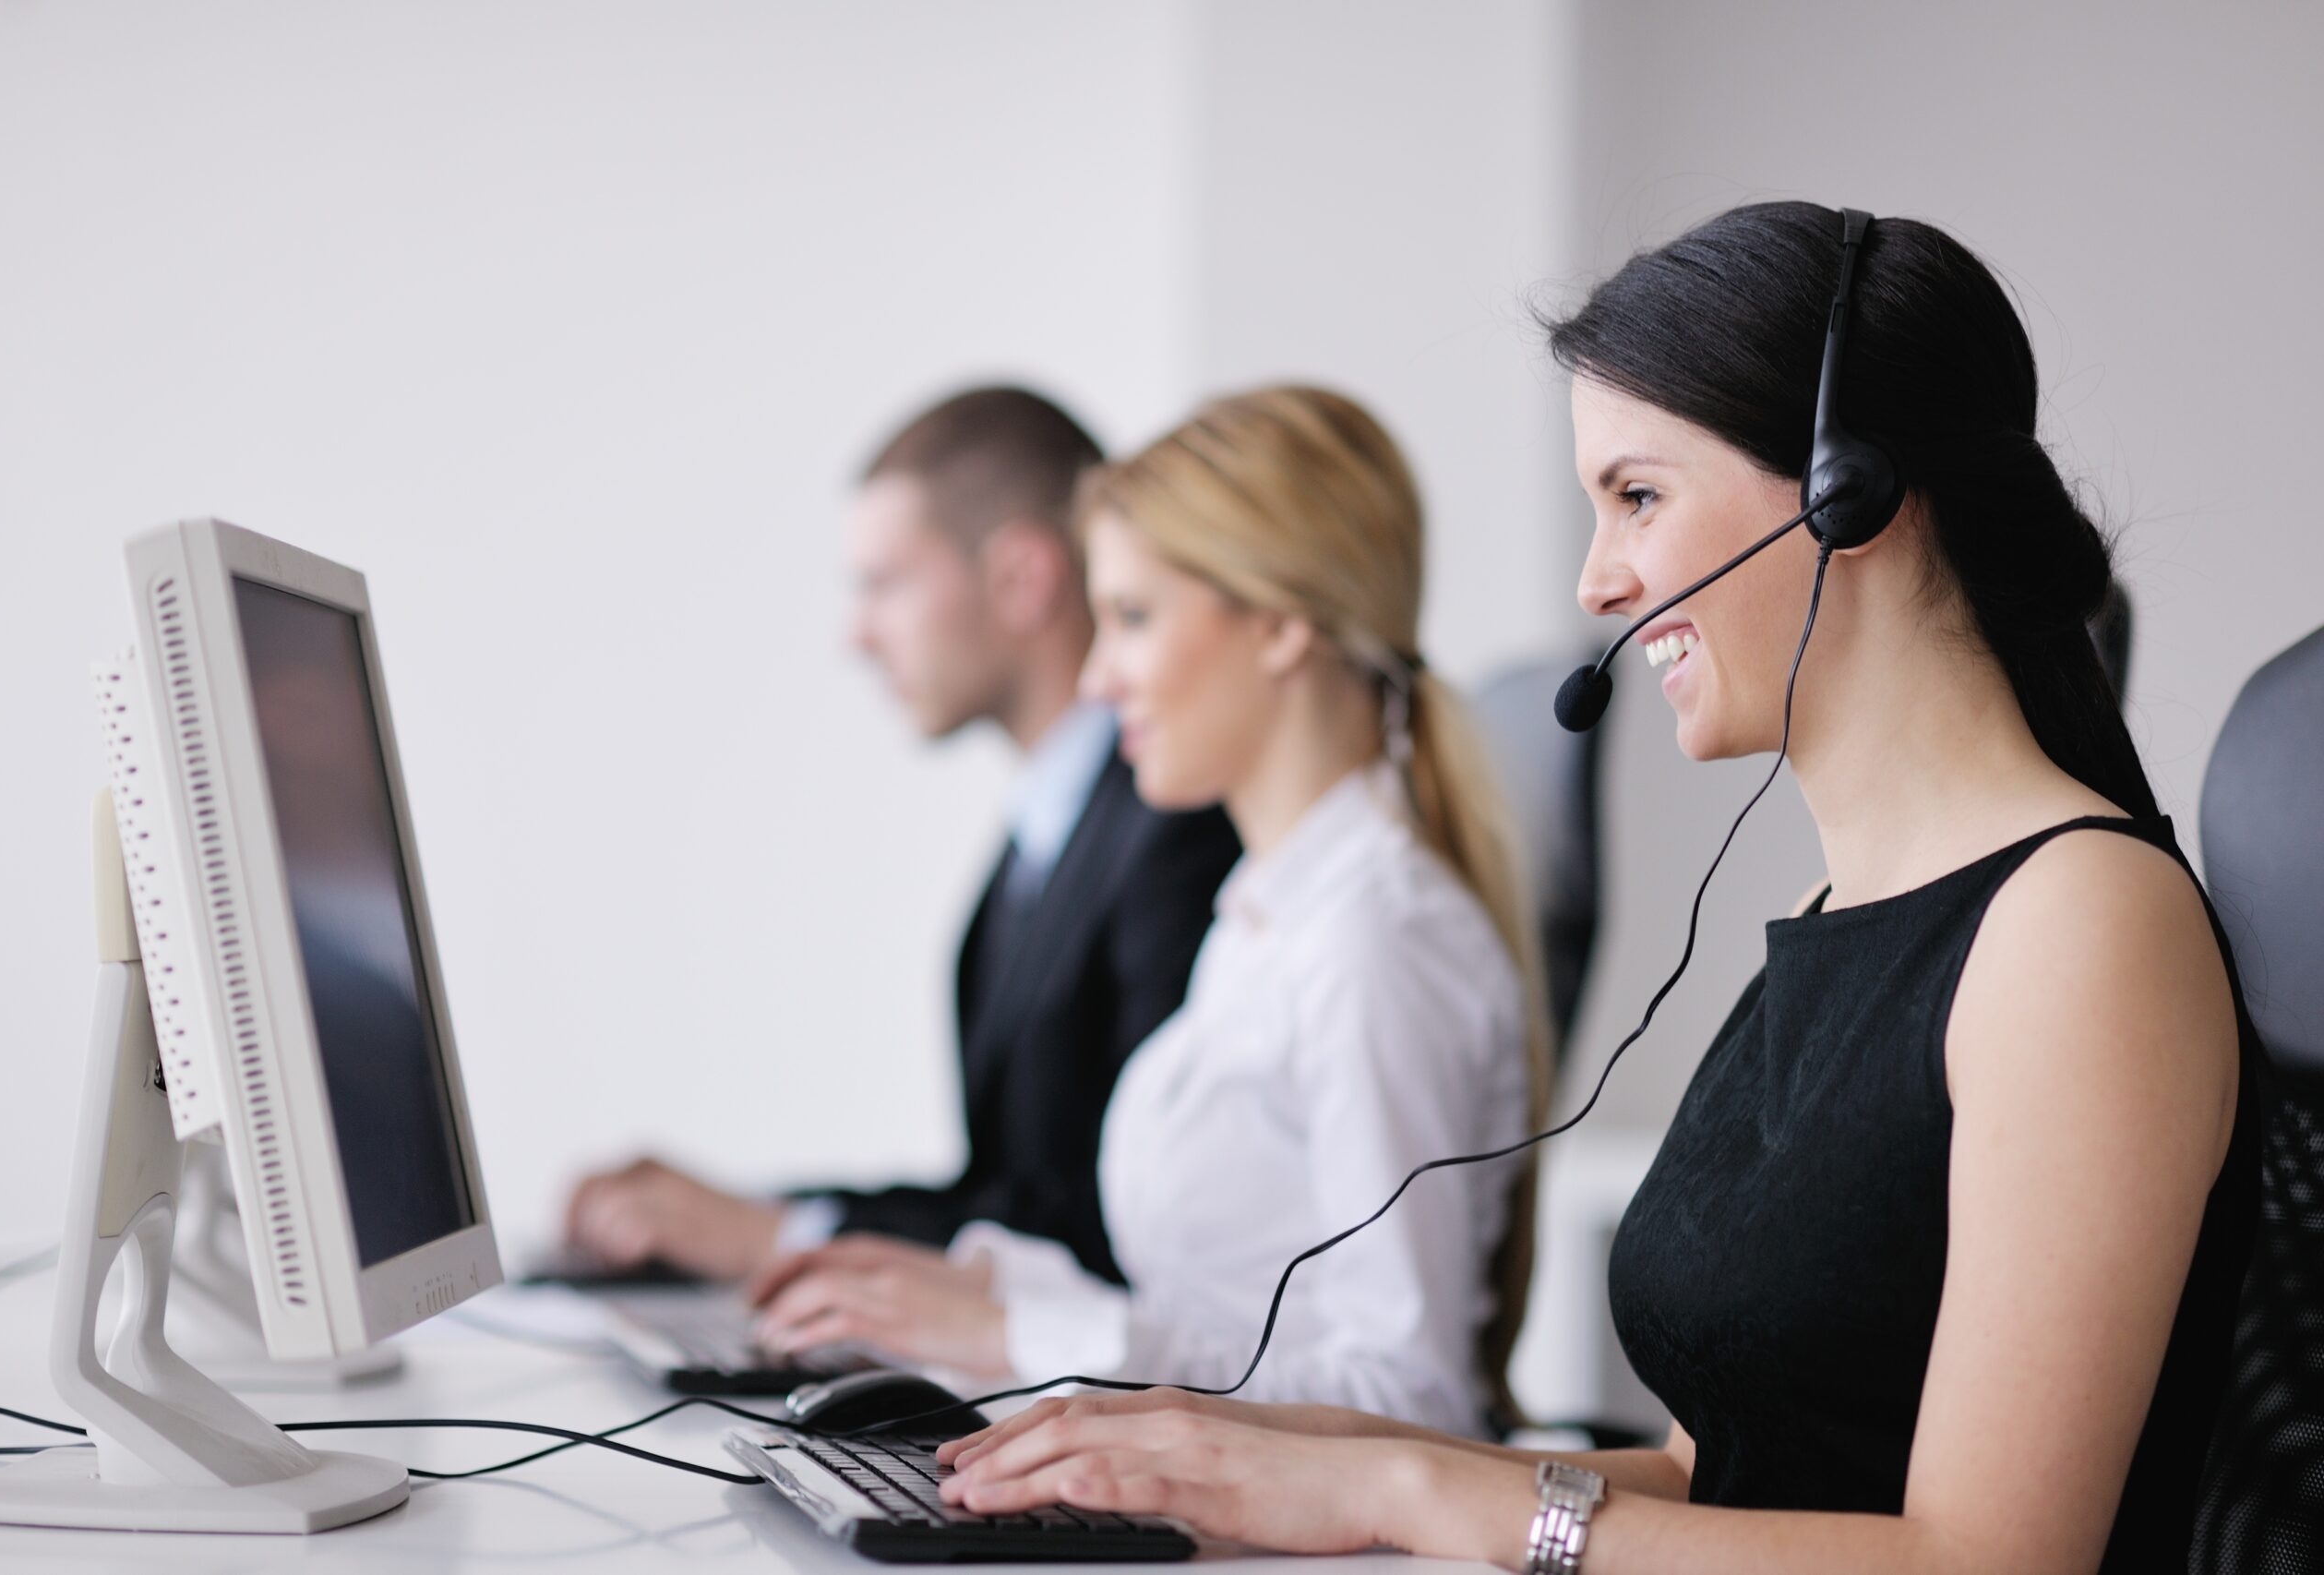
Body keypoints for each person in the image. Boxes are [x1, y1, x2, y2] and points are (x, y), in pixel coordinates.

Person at [924, 206, 2262, 1575]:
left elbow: (1987, 1560)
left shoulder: (2083, 927)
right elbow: (1712, 1471)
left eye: (1638, 495)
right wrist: (1266, 1453)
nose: (1597, 580)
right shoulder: (1826, 916)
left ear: (1840, 488)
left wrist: (1416, 1494)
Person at [749, 386, 1553, 1437]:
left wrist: (1032, 1336)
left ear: (1276, 623)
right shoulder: (1269, 909)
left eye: (1131, 617)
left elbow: (1412, 1397)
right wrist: (980, 1299)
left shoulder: (1373, 937)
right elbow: (1226, 1314)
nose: (1096, 674)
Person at [564, 387, 1240, 1285]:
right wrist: (743, 1213)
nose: (857, 634)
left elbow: (1116, 1230)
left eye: (885, 583)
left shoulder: (1177, 834)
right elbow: (1000, 1189)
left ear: (1020, 577)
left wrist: (782, 1237)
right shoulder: (1045, 834)